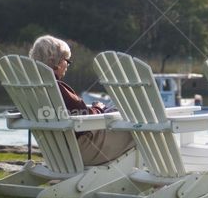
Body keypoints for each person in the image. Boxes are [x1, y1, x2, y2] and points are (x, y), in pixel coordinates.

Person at [29, 35, 135, 165]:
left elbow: (73, 112)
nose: (67, 65)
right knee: (140, 132)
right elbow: (83, 116)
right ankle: (157, 178)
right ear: (55, 61)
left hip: (56, 151)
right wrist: (99, 108)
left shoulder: (31, 89)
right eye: (67, 61)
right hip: (81, 149)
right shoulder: (55, 88)